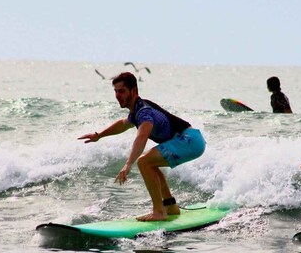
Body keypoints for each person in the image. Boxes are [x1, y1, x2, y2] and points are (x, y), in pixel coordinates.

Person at [78, 72, 206, 221]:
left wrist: (128, 164)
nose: (118, 95)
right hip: (192, 139)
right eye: (116, 91)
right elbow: (123, 124)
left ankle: (159, 212)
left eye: (122, 91)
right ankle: (170, 206)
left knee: (144, 161)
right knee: (150, 163)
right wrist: (99, 135)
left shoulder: (144, 112)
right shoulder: (136, 109)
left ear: (133, 91)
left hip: (188, 140)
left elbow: (142, 136)